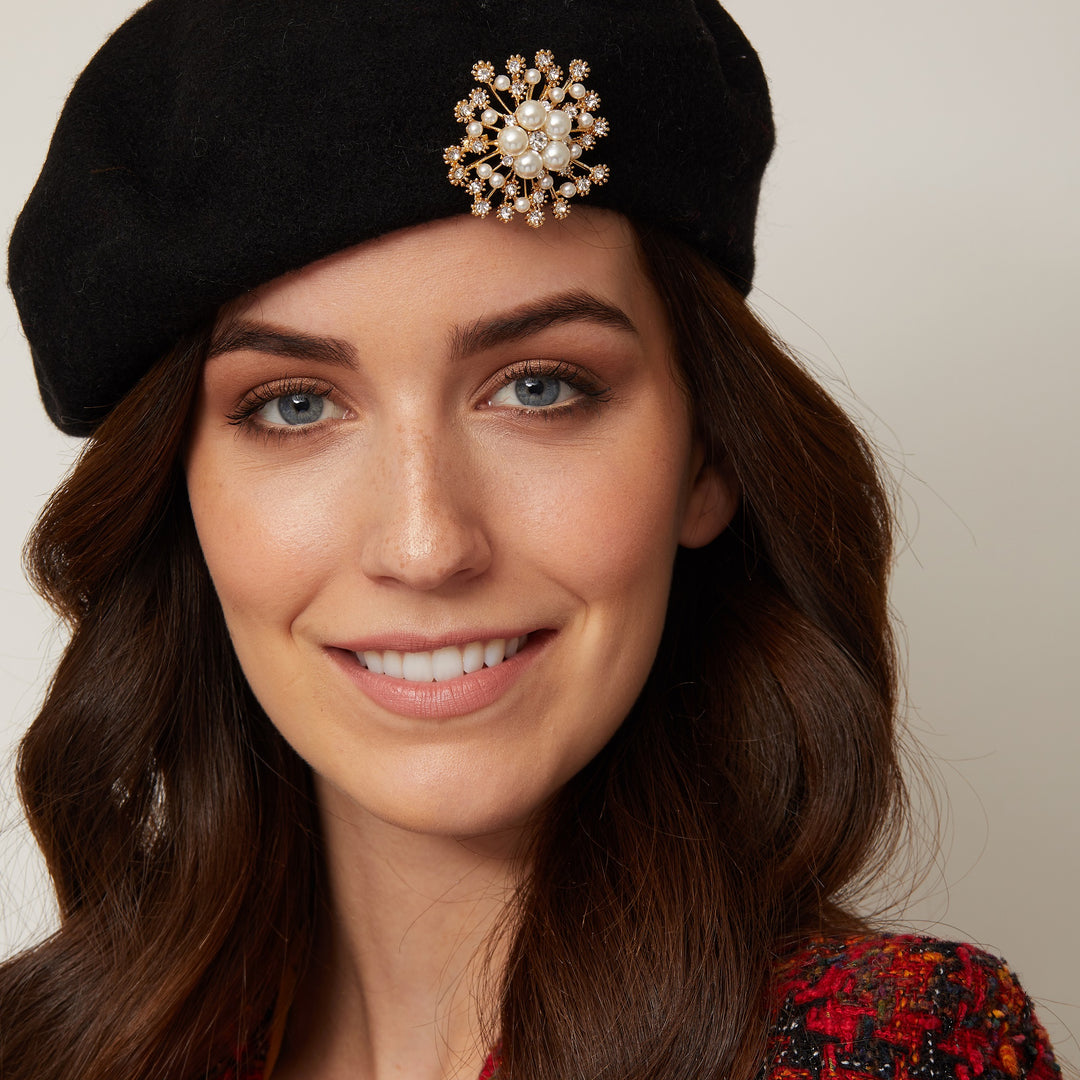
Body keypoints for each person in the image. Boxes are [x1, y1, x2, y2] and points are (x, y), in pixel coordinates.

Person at [0, 2, 1065, 1080]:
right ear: (178, 495)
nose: (425, 545)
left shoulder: (879, 1052)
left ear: (708, 459)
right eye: (293, 406)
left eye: (539, 387)